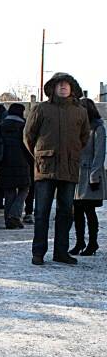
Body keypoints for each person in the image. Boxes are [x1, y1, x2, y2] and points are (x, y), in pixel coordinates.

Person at [24, 72, 90, 266]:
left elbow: (84, 137)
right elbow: (28, 136)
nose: (63, 86)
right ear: (52, 88)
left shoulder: (80, 111)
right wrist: (39, 155)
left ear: (72, 88)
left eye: (66, 84)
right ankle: (38, 252)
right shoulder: (41, 109)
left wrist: (73, 153)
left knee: (66, 213)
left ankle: (61, 252)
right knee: (41, 212)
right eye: (59, 84)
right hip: (45, 167)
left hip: (69, 168)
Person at [70, 98, 106, 256]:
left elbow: (99, 154)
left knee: (88, 210)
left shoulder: (98, 128)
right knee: (77, 211)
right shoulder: (77, 127)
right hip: (76, 174)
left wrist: (94, 176)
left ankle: (92, 242)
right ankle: (80, 242)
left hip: (89, 173)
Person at [0, 103, 31, 229]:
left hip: (4, 162)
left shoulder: (0, 126)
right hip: (23, 162)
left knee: (9, 191)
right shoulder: (24, 126)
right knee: (24, 188)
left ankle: (8, 220)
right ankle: (14, 216)